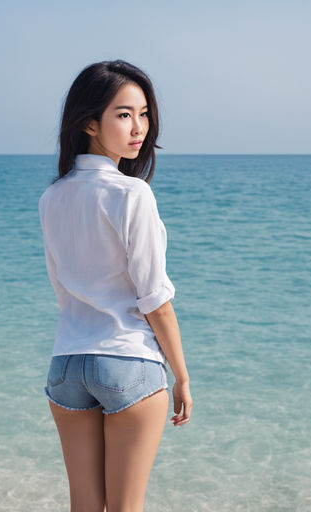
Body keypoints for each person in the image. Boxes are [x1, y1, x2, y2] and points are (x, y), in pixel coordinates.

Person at [38, 60, 192, 512]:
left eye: (143, 114)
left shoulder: (52, 196)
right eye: (124, 114)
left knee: (84, 507)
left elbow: (61, 288)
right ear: (89, 122)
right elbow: (155, 300)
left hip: (66, 365)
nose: (138, 127)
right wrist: (181, 376)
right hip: (129, 363)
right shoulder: (132, 193)